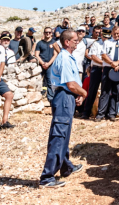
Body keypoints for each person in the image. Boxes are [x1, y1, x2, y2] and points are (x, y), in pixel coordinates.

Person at [39, 29, 87, 188]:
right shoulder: (65, 58)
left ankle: (66, 167)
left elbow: (73, 84)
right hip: (64, 97)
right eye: (74, 40)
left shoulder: (67, 57)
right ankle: (47, 177)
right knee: (59, 135)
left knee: (64, 134)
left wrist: (77, 93)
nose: (77, 42)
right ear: (67, 42)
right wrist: (84, 92)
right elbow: (70, 84)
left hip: (67, 97)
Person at [97, 26, 119, 121]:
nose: (116, 35)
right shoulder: (107, 42)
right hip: (108, 68)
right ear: (111, 33)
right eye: (114, 34)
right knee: (105, 91)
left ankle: (112, 113)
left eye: (118, 34)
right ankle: (101, 113)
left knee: (116, 91)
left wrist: (117, 63)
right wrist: (112, 63)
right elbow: (103, 55)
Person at [81, 25, 108, 118]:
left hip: (107, 68)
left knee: (105, 91)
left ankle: (101, 113)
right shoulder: (96, 43)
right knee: (92, 90)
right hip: (97, 68)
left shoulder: (111, 43)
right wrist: (105, 63)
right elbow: (93, 56)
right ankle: (86, 112)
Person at [34, 27, 59, 104]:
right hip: (41, 65)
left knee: (49, 81)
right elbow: (36, 54)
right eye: (46, 32)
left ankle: (50, 98)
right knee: (38, 81)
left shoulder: (54, 43)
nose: (48, 34)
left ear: (51, 33)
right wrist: (43, 63)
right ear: (44, 33)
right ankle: (38, 97)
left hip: (50, 65)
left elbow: (55, 54)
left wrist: (48, 63)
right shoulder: (40, 43)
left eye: (49, 32)